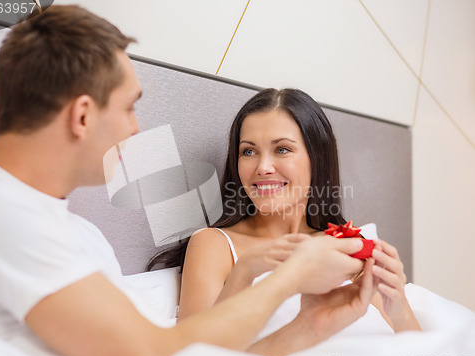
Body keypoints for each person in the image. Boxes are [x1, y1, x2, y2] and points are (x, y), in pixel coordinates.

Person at [0, 6, 378, 356]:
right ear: (83, 115)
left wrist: (306, 327)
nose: (135, 128)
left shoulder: (76, 233)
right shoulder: (3, 215)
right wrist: (289, 278)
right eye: (130, 106)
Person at [153, 88, 420, 336]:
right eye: (248, 151)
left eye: (282, 149)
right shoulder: (215, 245)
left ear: (317, 158)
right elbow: (192, 355)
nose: (263, 167)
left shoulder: (348, 248)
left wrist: (397, 305)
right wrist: (244, 272)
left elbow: (419, 353)